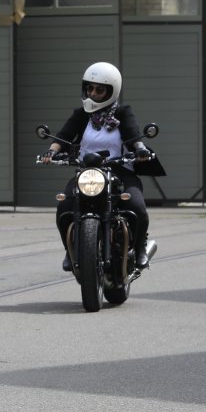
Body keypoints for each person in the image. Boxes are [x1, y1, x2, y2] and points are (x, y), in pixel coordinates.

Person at [40, 61, 156, 272]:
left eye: (99, 90)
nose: (93, 93)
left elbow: (133, 134)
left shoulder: (122, 113)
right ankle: (70, 250)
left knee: (137, 207)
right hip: (87, 172)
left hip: (119, 171)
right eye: (90, 88)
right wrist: (51, 151)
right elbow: (64, 136)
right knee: (64, 207)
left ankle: (140, 248)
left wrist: (140, 149)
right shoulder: (81, 114)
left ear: (112, 91)